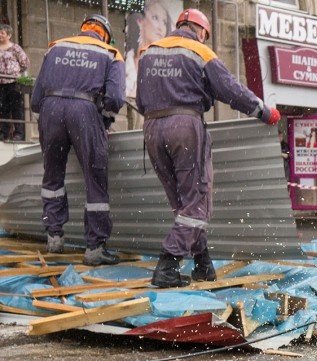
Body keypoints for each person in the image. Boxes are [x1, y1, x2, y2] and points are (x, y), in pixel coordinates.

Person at [136, 8, 281, 288]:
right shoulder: (200, 52)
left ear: (179, 25)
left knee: (182, 203)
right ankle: (167, 264)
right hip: (185, 126)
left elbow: (141, 99)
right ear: (201, 31)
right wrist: (264, 112)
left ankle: (203, 264)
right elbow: (231, 90)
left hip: (152, 128)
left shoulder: (150, 51)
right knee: (197, 204)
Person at [30, 15, 125, 264]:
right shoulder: (110, 53)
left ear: (82, 29)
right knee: (95, 179)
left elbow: (35, 99)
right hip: (84, 111)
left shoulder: (55, 47)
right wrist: (102, 121)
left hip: (50, 108)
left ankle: (54, 237)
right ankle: (94, 248)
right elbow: (115, 99)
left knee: (52, 177)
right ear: (105, 34)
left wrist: (54, 114)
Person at [124, 0, 171, 99]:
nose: (161, 27)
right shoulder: (124, 62)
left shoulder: (169, 66)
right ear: (140, 22)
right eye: (155, 18)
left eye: (164, 22)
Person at [0, 23, 29, 141]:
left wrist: (14, 73)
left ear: (9, 35)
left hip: (13, 83)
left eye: (2, 33)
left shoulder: (15, 48)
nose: (0, 35)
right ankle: (3, 133)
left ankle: (19, 134)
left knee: (16, 108)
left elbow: (25, 63)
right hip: (0, 83)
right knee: (3, 109)